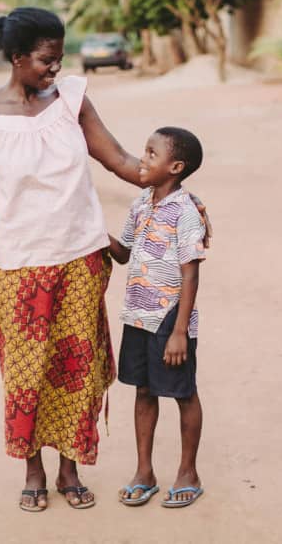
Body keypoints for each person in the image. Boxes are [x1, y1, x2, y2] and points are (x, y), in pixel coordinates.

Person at [0, 7, 147, 512]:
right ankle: (32, 467)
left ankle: (69, 468)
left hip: (81, 257)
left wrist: (163, 177)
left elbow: (119, 158)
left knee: (76, 368)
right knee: (26, 372)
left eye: (59, 59)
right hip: (18, 265)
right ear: (17, 58)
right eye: (45, 60)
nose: (54, 69)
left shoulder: (73, 102)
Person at [107, 127, 209, 509]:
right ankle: (144, 472)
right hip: (137, 315)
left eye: (152, 153)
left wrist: (180, 331)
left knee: (182, 392)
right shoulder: (141, 204)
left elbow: (190, 272)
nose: (142, 159)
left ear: (175, 167)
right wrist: (94, 233)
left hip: (169, 320)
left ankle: (188, 473)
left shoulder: (186, 212)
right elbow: (123, 254)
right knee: (143, 390)